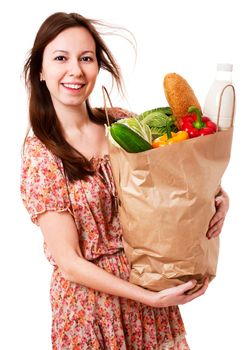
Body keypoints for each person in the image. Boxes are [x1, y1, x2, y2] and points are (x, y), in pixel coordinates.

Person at [20, 12, 229, 350]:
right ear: (41, 71)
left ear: (97, 66)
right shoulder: (41, 155)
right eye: (61, 58)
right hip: (92, 312)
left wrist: (220, 197)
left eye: (86, 58)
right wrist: (148, 298)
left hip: (151, 283)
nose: (75, 70)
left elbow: (176, 184)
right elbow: (70, 263)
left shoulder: (123, 123)